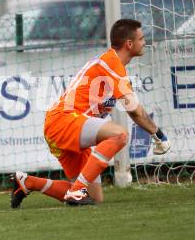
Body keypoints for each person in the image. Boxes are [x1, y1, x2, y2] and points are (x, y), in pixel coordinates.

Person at [11, 19, 171, 207]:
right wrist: (159, 135)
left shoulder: (110, 63)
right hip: (64, 121)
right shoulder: (112, 63)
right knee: (120, 135)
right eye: (142, 38)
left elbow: (132, 109)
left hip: (64, 126)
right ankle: (76, 191)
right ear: (129, 44)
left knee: (94, 198)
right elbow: (135, 110)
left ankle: (27, 182)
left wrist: (155, 134)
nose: (145, 42)